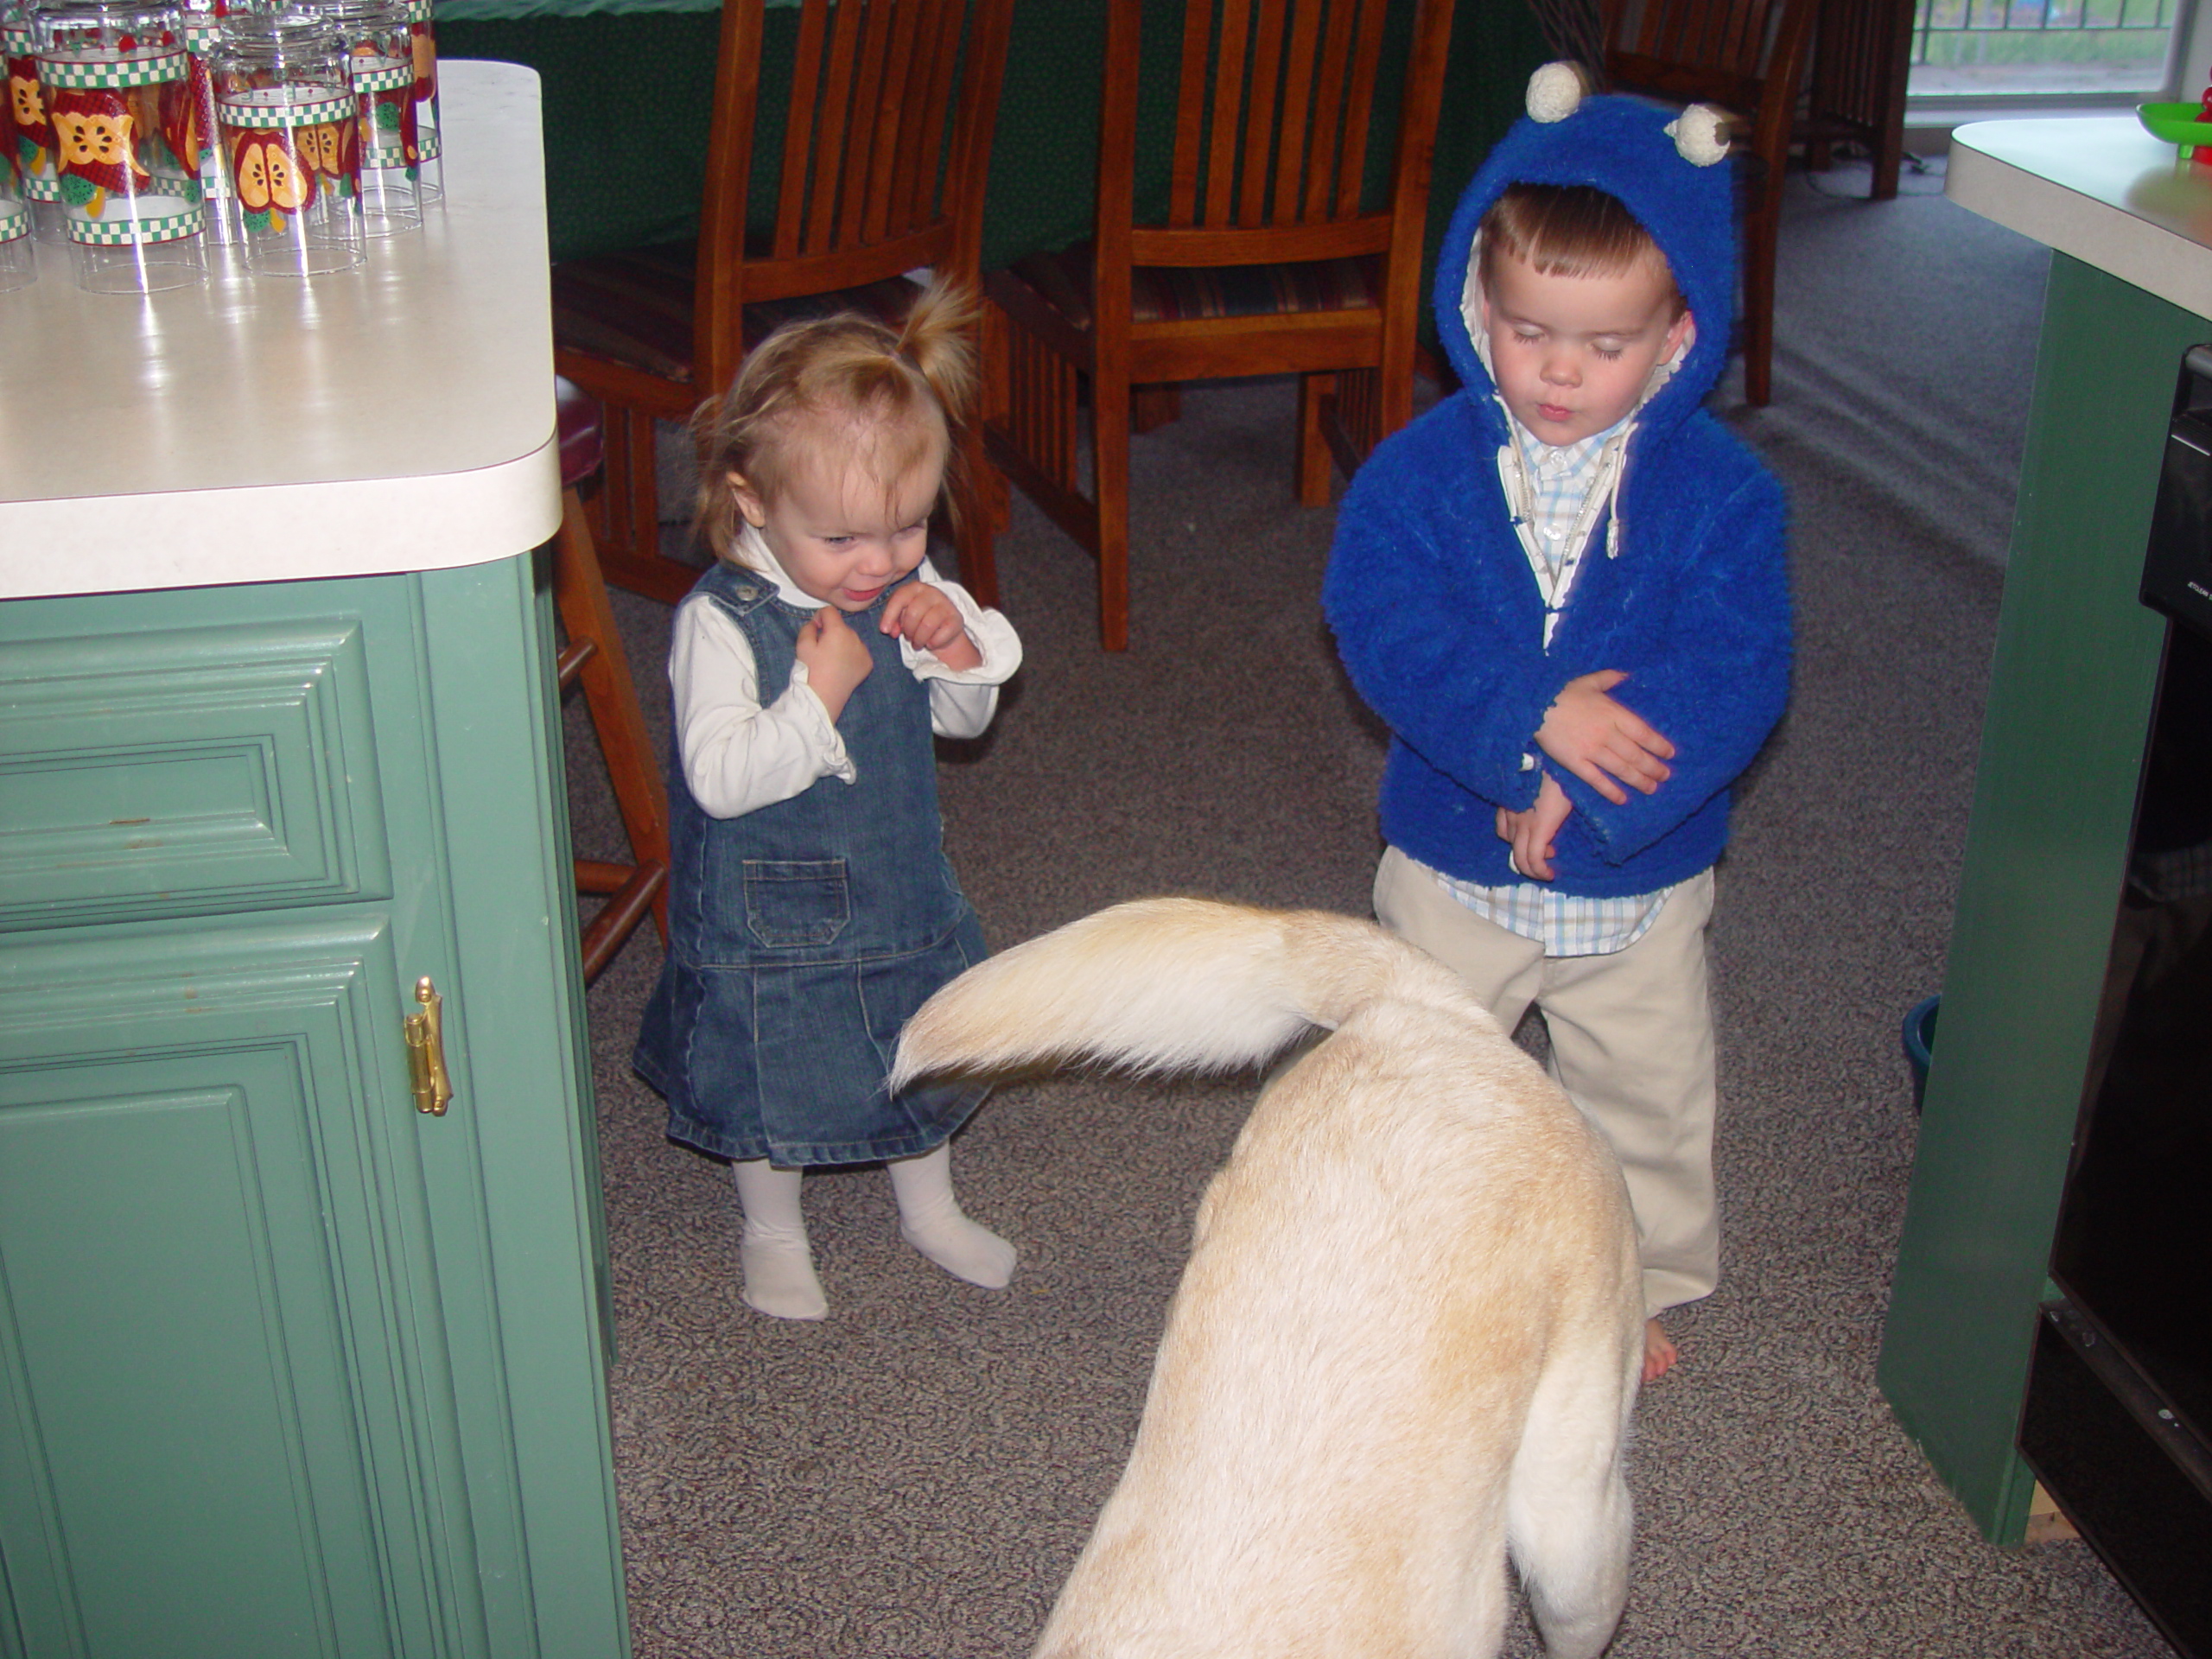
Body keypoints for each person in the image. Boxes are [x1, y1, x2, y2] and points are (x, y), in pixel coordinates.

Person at [1323, 68, 1791, 1382]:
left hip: (1636, 888)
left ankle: (1618, 1286)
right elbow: (1385, 626)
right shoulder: (1422, 468)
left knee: (1641, 1101)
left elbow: (1739, 668)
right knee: (1419, 1076)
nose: (1563, 373)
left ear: (1680, 337)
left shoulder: (1726, 495)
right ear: (1478, 303)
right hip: (1452, 867)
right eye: (1530, 332)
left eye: (1606, 343)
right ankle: (1418, 1261)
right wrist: (1528, 724)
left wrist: (1593, 782)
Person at [632, 282, 1021, 1321]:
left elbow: (963, 728)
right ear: (752, 501)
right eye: (844, 539)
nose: (880, 562)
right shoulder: (722, 621)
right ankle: (771, 1228)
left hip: (894, 887)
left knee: (918, 1042)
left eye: (905, 528)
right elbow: (719, 776)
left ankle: (928, 1205)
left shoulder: (897, 581)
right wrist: (818, 697)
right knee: (773, 1073)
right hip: (769, 919)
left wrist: (956, 648)